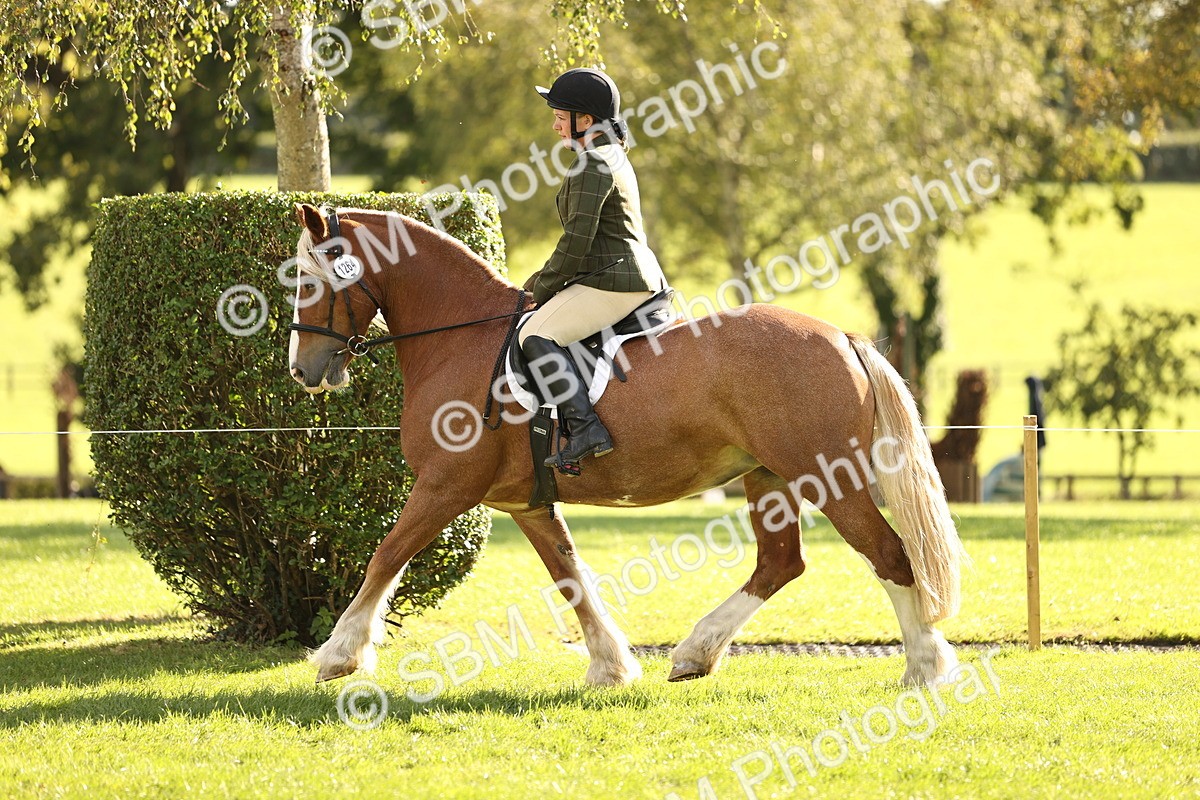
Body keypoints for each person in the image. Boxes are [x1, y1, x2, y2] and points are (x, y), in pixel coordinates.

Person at [520, 67, 670, 474]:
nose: (554, 125)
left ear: (584, 120)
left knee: (535, 333)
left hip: (615, 280)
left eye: (559, 115)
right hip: (620, 272)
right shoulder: (608, 155)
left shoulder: (592, 162)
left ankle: (586, 429)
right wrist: (536, 281)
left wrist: (543, 289)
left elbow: (577, 242)